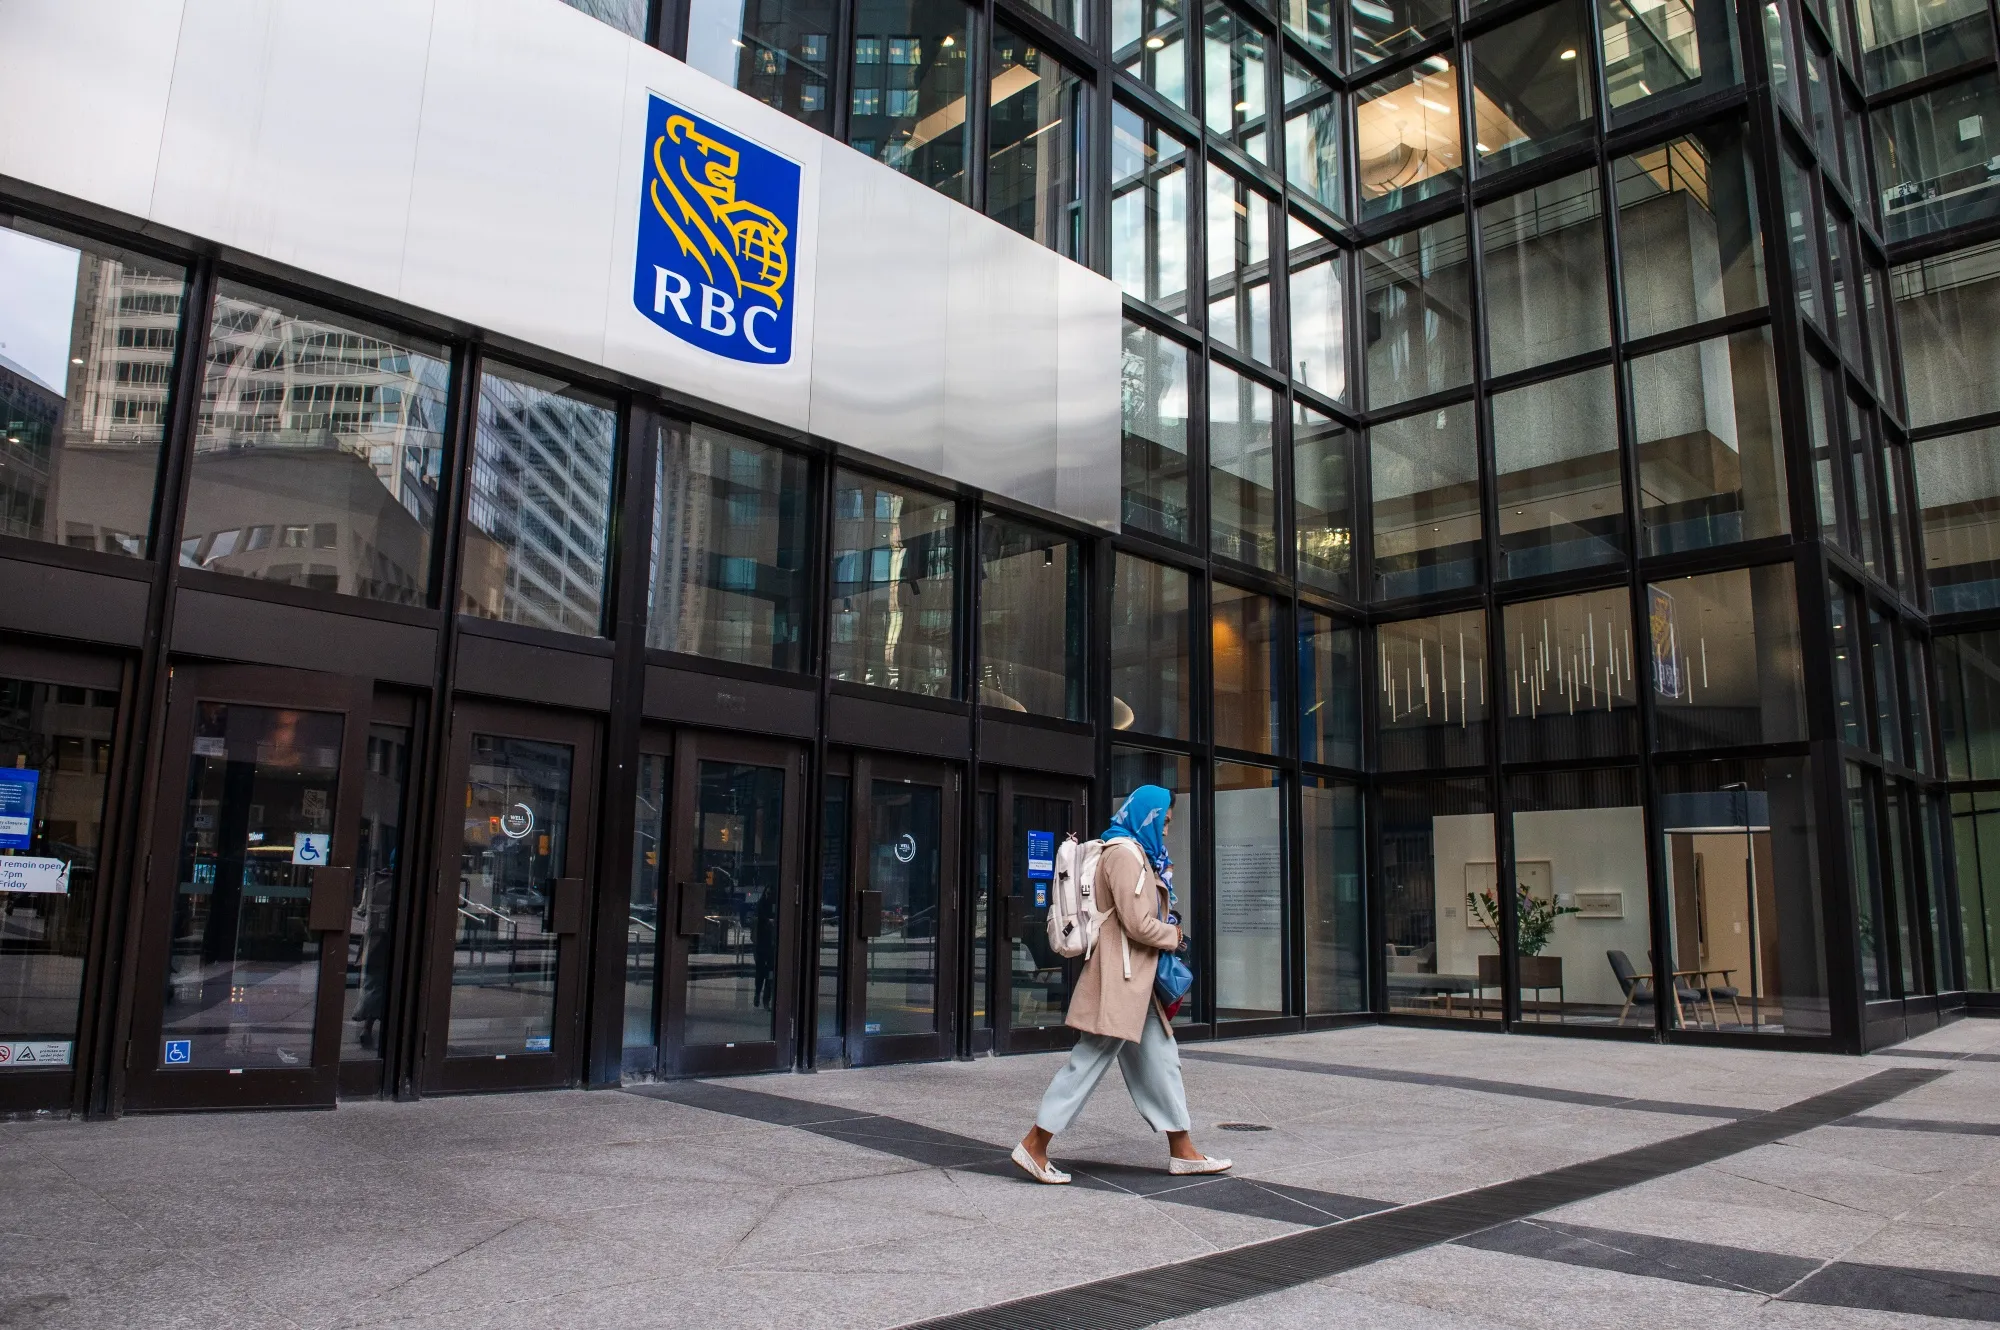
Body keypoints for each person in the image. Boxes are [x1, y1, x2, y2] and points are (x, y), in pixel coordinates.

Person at [1013, 785, 1230, 1184]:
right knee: (1088, 1062)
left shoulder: (1133, 853)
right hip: (1120, 980)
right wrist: (1175, 936)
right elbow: (1137, 924)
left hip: (1135, 981)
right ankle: (1034, 1145)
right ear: (1146, 816)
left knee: (1162, 1061)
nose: (1166, 831)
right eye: (1163, 823)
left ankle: (1183, 1150)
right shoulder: (1125, 856)